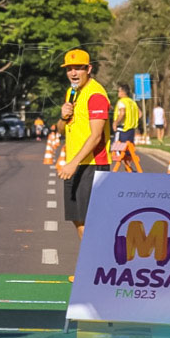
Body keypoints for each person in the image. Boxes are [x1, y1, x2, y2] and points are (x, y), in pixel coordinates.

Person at [56, 49, 111, 241]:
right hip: (76, 163)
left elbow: (96, 136)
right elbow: (61, 129)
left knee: (90, 221)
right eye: (69, 69)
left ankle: (93, 267)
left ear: (89, 69)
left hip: (93, 165)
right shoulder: (72, 92)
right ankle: (90, 267)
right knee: (78, 219)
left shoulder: (96, 94)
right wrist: (63, 116)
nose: (73, 73)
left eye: (78, 68)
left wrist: (73, 164)